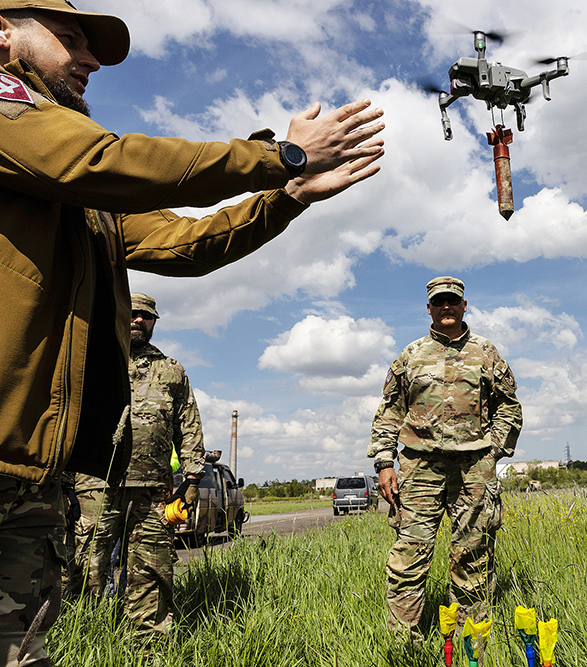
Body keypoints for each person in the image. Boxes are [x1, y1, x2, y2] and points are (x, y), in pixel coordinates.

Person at [0, 1, 384, 662]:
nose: (89, 60)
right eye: (69, 39)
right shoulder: (14, 118)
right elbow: (108, 160)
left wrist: (287, 194)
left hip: (32, 476)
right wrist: (280, 155)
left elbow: (185, 242)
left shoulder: (76, 192)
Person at [368, 277, 522, 639]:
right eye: (439, 302)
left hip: (473, 470)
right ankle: (403, 646)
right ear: (429, 309)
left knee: (473, 556)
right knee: (409, 556)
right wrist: (385, 462)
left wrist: (492, 452)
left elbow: (509, 408)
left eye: (453, 300)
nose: (446, 307)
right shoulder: (411, 355)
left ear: (464, 306)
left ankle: (471, 645)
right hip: (419, 468)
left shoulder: (486, 352)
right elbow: (390, 412)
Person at [72, 293, 205, 635]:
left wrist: (192, 478)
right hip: (96, 485)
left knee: (152, 568)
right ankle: (83, 637)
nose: (137, 320)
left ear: (154, 322)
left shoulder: (171, 370)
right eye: (131, 313)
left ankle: (149, 645)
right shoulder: (92, 360)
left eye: (145, 315)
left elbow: (188, 425)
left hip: (151, 490)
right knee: (87, 565)